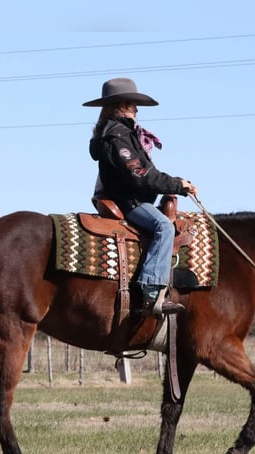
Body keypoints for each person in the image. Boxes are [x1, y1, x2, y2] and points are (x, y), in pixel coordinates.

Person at [83, 77, 198, 316]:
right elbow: (139, 175)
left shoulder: (121, 133)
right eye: (133, 104)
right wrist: (178, 186)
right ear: (121, 106)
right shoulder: (118, 137)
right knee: (164, 227)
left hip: (130, 197)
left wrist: (175, 183)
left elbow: (148, 174)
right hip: (129, 202)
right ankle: (150, 291)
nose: (136, 110)